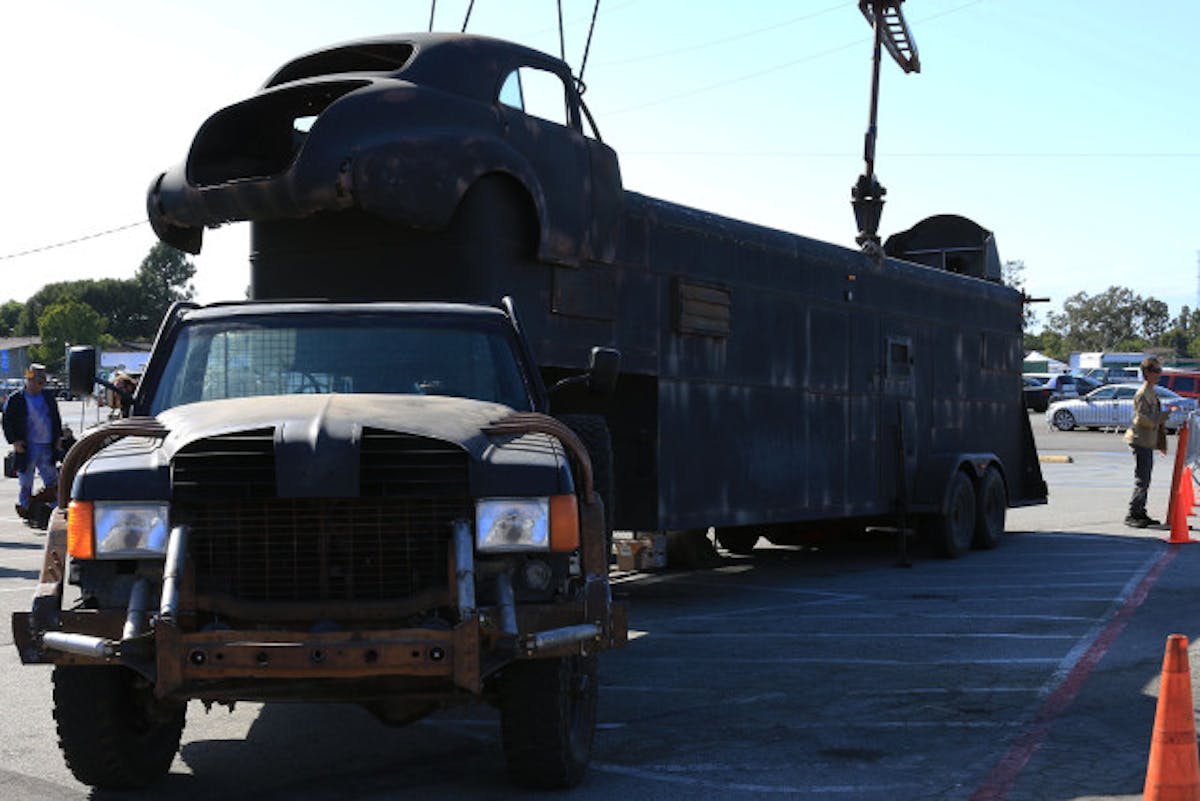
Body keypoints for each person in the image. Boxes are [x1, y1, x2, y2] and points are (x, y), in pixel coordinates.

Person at [2, 364, 63, 520]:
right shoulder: (16, 399)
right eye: (37, 381)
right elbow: (7, 421)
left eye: (42, 382)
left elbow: (55, 418)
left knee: (51, 478)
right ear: (29, 379)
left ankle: (55, 507)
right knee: (25, 480)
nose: (40, 385)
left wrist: (58, 438)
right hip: (27, 446)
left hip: (46, 444)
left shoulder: (48, 397)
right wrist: (15, 441)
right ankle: (25, 506)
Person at [1123, 356, 1169, 528]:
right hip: (1140, 440)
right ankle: (1133, 514)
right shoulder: (1143, 393)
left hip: (1147, 440)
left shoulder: (1151, 391)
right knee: (1142, 478)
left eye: (1160, 371)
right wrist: (1163, 416)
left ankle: (1140, 512)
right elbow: (1142, 418)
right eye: (1156, 371)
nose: (1160, 374)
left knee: (1145, 478)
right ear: (1148, 373)